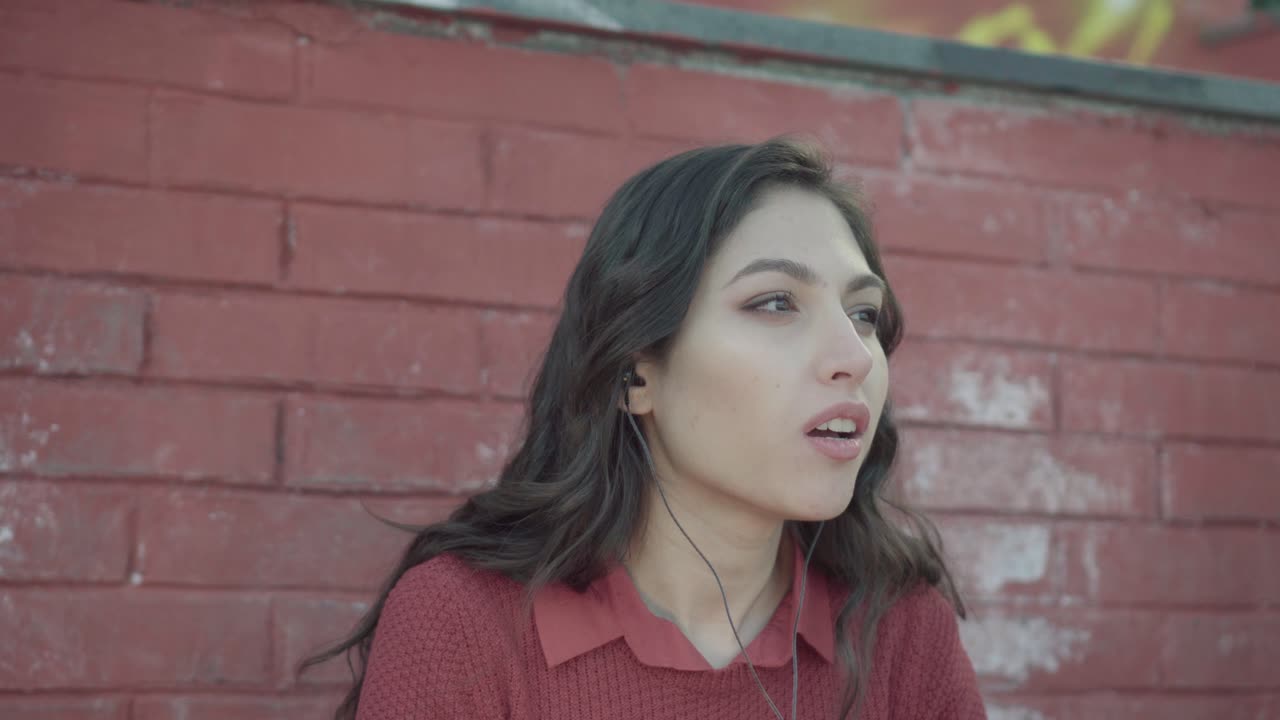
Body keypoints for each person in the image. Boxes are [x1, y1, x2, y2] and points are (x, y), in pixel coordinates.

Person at [303, 138, 986, 719]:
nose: (853, 358)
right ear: (636, 373)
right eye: (776, 302)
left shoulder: (901, 628)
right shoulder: (462, 624)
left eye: (864, 315)